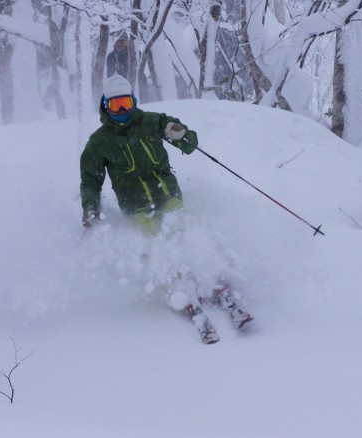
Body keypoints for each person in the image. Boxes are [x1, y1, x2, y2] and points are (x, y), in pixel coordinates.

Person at [79, 75, 252, 343]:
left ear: (134, 101)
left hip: (168, 195)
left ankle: (215, 283)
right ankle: (181, 289)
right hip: (135, 207)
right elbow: (90, 180)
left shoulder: (152, 121)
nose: (122, 111)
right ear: (105, 106)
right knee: (157, 244)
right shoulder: (99, 141)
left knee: (185, 234)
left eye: (126, 103)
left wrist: (181, 134)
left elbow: (189, 143)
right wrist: (90, 208)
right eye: (116, 106)